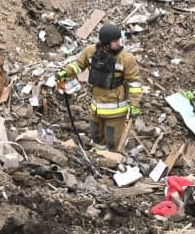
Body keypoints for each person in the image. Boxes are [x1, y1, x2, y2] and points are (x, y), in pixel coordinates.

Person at [56, 23, 142, 151]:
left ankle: (112, 161)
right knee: (96, 136)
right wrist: (65, 72)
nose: (119, 43)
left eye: (119, 40)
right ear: (106, 43)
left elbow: (134, 83)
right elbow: (78, 65)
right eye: (115, 41)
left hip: (116, 110)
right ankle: (99, 160)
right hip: (96, 107)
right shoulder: (90, 51)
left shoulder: (126, 58)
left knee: (112, 141)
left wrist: (135, 105)